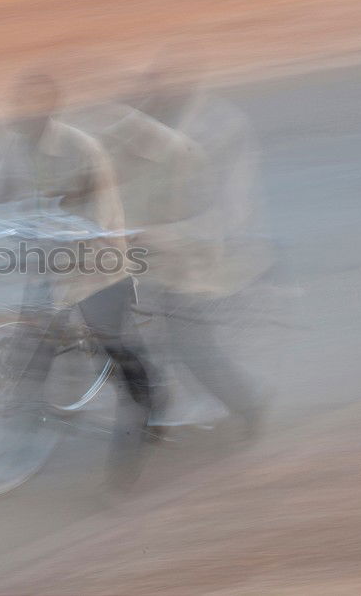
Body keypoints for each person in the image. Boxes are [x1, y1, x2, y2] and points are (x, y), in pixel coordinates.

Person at [0, 72, 163, 487]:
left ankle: (148, 414)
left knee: (118, 358)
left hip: (96, 272)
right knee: (30, 362)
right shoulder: (21, 147)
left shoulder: (81, 150)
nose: (23, 114)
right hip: (50, 272)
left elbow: (99, 215)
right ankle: (21, 450)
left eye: (34, 107)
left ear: (50, 111)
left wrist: (53, 233)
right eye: (21, 106)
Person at [96, 55, 273, 437]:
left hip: (198, 252)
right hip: (146, 247)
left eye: (154, 84)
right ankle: (152, 402)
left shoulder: (216, 129)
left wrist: (156, 233)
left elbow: (224, 210)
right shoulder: (143, 122)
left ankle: (248, 403)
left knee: (188, 342)